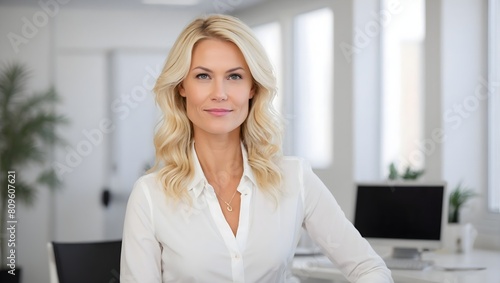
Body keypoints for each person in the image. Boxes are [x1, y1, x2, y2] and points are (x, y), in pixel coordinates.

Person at [120, 14, 393, 283]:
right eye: (203, 76)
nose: (220, 93)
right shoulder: (150, 197)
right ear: (182, 86)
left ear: (253, 88)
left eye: (235, 76)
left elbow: (370, 269)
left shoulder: (294, 178)